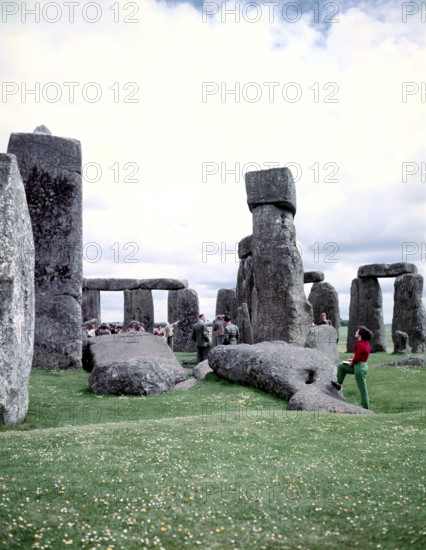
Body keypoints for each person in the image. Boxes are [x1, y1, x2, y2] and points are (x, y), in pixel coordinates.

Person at [332, 325, 373, 409]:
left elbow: (358, 357)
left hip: (359, 367)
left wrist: (352, 362)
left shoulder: (360, 344)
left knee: (362, 388)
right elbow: (360, 356)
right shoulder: (365, 344)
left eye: (357, 331)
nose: (355, 332)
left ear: (360, 334)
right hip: (361, 365)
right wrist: (353, 360)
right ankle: (339, 384)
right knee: (341, 366)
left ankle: (366, 406)